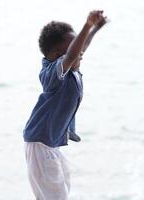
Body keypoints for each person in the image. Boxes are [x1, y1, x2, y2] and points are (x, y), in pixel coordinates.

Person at [23, 10, 108, 200]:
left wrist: (95, 29)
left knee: (62, 188)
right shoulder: (52, 74)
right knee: (56, 196)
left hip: (50, 143)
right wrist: (87, 25)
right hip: (41, 144)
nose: (81, 53)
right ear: (57, 54)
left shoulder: (71, 68)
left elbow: (80, 47)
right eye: (75, 50)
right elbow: (71, 55)